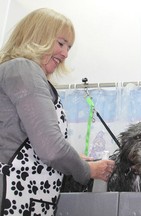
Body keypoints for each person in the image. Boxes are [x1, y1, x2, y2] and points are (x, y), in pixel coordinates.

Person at [0, 8, 115, 215]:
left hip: (27, 195)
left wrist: (74, 158)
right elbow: (51, 148)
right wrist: (89, 170)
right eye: (61, 43)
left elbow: (29, 141)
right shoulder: (24, 69)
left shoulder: (19, 73)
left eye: (69, 47)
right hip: (14, 192)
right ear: (37, 37)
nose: (65, 54)